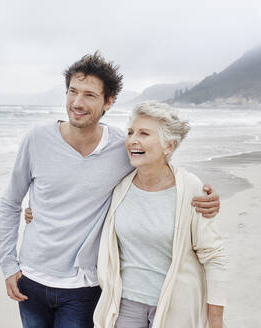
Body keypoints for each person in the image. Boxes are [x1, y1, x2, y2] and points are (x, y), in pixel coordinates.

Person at [0, 52, 220, 328]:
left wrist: (203, 196)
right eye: (72, 92)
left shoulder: (120, 147)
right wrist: (8, 264)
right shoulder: (36, 140)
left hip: (85, 285)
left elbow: (158, 163)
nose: (77, 103)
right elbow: (10, 202)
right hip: (30, 278)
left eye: (89, 95)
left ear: (109, 101)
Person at [93, 101, 226, 328]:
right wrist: (35, 211)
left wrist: (215, 320)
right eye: (130, 132)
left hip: (176, 306)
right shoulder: (119, 186)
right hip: (124, 306)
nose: (133, 139)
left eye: (144, 133)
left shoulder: (191, 188)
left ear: (169, 146)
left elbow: (213, 256)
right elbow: (83, 205)